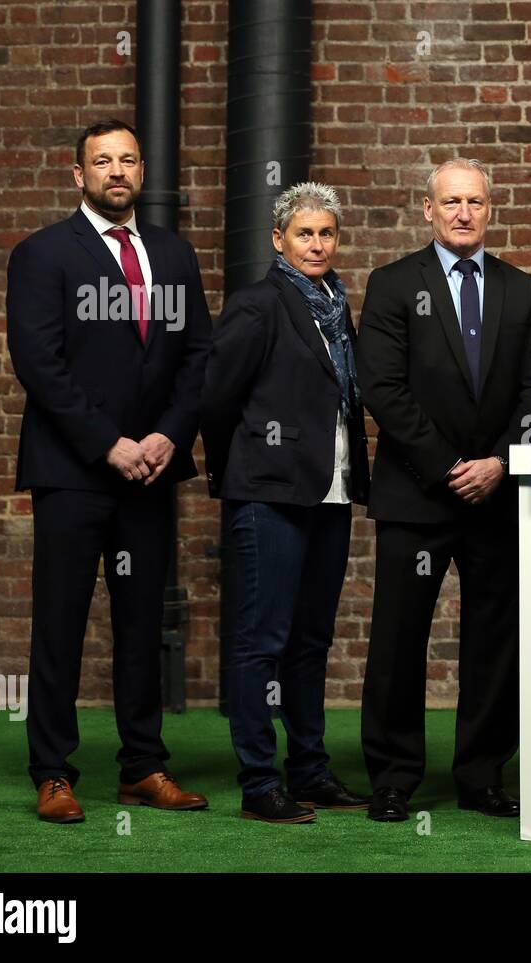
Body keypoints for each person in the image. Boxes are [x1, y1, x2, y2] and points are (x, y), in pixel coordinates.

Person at [6, 119, 211, 823]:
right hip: (73, 472)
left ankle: (143, 766)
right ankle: (54, 771)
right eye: (102, 161)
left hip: (149, 473)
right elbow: (41, 364)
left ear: (142, 172)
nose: (115, 171)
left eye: (127, 160)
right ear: (79, 174)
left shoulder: (174, 255)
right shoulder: (41, 254)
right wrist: (107, 443)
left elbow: (198, 359)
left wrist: (164, 435)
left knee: (140, 622)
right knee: (60, 622)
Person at [356, 158, 531, 822]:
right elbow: (382, 388)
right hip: (417, 494)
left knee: (497, 640)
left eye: (476, 202)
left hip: (498, 493)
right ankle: (394, 775)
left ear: (491, 210)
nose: (464, 212)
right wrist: (448, 466)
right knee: (399, 637)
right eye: (451, 201)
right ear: (427, 210)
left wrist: (497, 462)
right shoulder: (394, 284)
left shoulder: (523, 290)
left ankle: (482, 773)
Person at [201, 182, 371, 825]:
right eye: (305, 234)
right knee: (260, 642)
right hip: (268, 495)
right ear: (279, 240)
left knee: (311, 641)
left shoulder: (335, 303)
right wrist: (242, 471)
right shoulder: (257, 304)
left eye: (327, 233)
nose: (318, 244)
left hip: (331, 492)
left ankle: (310, 771)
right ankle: (258, 784)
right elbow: (216, 399)